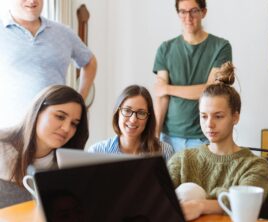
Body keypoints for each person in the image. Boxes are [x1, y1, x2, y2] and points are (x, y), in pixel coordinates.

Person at [168, 62, 268, 221]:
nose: (209, 124)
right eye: (204, 116)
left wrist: (200, 205)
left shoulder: (256, 166)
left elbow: (244, 204)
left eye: (218, 116)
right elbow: (157, 199)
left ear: (235, 117)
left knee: (191, 191)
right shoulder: (182, 160)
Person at [0, 0, 97, 128]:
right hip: (9, 131)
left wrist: (79, 101)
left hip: (56, 130)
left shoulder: (63, 32)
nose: (32, 1)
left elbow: (90, 61)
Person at [153, 0, 232, 153]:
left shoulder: (221, 47)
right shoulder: (165, 49)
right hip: (168, 138)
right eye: (183, 11)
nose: (188, 17)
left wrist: (168, 88)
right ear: (178, 14)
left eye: (193, 11)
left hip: (203, 137)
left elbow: (210, 90)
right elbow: (161, 97)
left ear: (203, 12)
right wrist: (155, 136)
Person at [0, 85, 89, 208]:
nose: (67, 128)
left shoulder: (67, 163)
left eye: (74, 124)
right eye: (60, 116)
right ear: (37, 111)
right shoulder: (2, 147)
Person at [88, 85, 174, 162]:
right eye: (127, 110)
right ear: (117, 113)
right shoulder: (96, 152)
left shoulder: (164, 151)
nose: (133, 120)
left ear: (148, 118)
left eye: (141, 113)